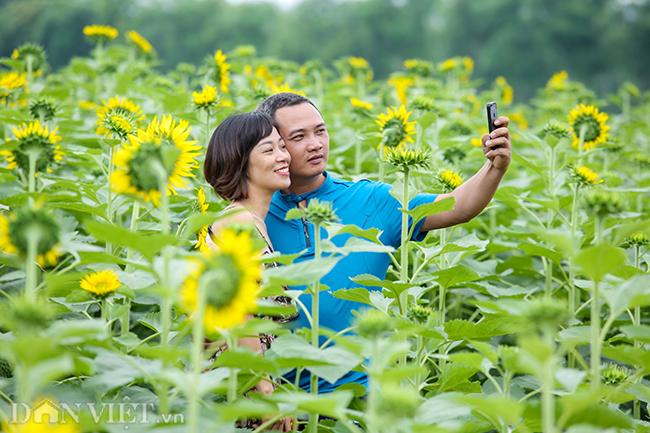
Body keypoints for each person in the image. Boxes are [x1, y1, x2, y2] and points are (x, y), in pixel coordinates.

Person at [255, 93, 512, 393]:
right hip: (282, 401)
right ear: (276, 147)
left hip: (361, 398)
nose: (315, 144)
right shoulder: (255, 214)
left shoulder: (371, 200)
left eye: (320, 131)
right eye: (298, 137)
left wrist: (495, 166)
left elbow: (459, 206)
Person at [203, 111, 296, 432]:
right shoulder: (237, 223)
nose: (283, 156)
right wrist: (264, 388)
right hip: (237, 387)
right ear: (239, 161)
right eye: (268, 150)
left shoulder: (253, 221)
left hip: (244, 382)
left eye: (282, 147)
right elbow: (238, 310)